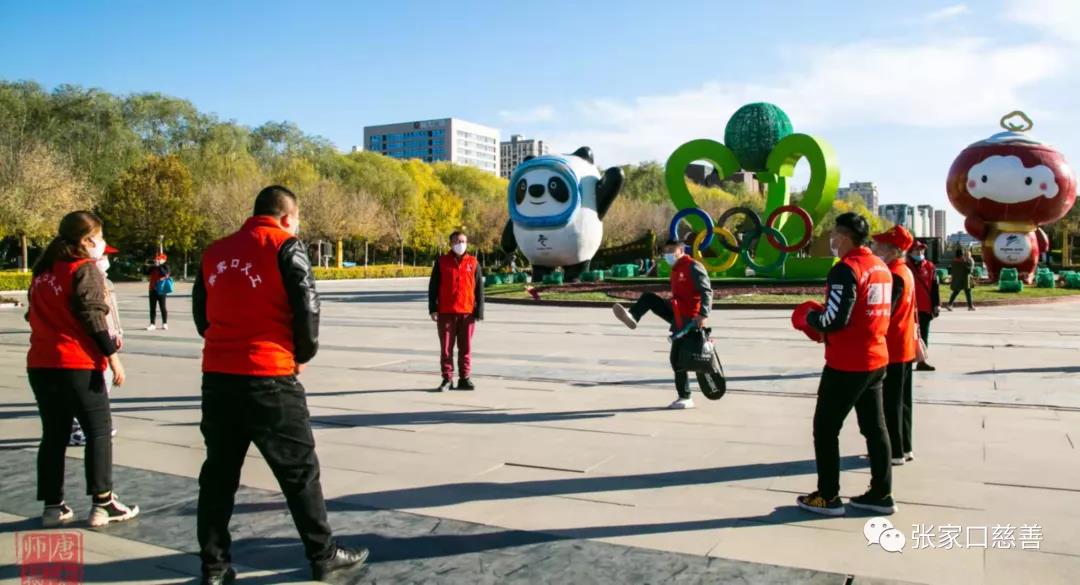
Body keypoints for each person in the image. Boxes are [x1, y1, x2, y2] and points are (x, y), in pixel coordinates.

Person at [192, 186, 367, 584]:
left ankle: (214, 567)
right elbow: (308, 308)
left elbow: (202, 315)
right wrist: (301, 353)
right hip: (269, 376)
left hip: (218, 378)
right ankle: (323, 555)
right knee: (299, 473)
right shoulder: (286, 246)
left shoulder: (214, 252)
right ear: (287, 217)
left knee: (218, 477)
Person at [26, 211, 139, 529]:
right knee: (98, 432)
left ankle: (53, 506)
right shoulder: (83, 269)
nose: (101, 243)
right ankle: (103, 503)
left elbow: (31, 316)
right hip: (77, 362)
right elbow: (93, 316)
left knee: (54, 435)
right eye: (99, 236)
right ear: (87, 240)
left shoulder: (43, 272)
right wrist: (112, 355)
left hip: (41, 363)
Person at [791, 212, 895, 516]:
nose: (832, 239)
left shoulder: (846, 269)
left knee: (825, 428)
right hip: (876, 357)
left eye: (835, 234)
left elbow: (834, 319)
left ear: (845, 237)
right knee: (875, 429)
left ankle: (827, 496)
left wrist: (807, 317)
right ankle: (881, 493)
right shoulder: (881, 267)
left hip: (847, 362)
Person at [611, 237, 712, 409]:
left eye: (671, 250)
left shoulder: (693, 266)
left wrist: (703, 314)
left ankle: (686, 397)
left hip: (690, 319)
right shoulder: (675, 270)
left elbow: (707, 291)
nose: (668, 254)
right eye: (665, 251)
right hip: (677, 314)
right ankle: (633, 316)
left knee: (678, 358)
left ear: (681, 250)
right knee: (648, 297)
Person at [871, 226, 918, 466]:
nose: (875, 248)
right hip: (905, 345)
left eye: (879, 245)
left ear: (893, 249)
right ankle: (905, 446)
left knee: (890, 402)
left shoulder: (894, 275)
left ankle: (894, 451)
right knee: (903, 401)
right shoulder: (905, 271)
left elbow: (884, 312)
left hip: (893, 347)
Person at [69, 245, 122, 446]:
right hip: (95, 339)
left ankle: (98, 424)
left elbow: (112, 312)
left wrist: (118, 332)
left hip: (108, 336)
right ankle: (79, 427)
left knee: (104, 383)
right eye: (104, 254)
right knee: (93, 385)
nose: (106, 259)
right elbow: (94, 315)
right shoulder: (87, 279)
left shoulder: (106, 281)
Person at [428, 231, 484, 392]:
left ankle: (464, 378)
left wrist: (479, 311)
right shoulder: (441, 262)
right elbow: (433, 287)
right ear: (451, 243)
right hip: (446, 312)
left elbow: (479, 288)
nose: (460, 244)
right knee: (446, 348)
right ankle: (447, 379)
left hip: (467, 312)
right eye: (457, 241)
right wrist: (433, 308)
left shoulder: (473, 262)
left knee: (465, 347)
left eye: (463, 241)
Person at [907, 241, 940, 371]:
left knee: (923, 335)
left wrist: (936, 304)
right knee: (908, 335)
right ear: (910, 252)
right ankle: (907, 360)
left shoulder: (930, 266)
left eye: (922, 250)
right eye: (917, 250)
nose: (920, 253)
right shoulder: (905, 266)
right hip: (909, 308)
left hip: (925, 307)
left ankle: (922, 361)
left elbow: (935, 286)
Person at [143, 253, 170, 331]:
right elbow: (145, 273)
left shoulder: (166, 266)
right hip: (152, 289)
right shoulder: (153, 267)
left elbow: (165, 273)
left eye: (159, 259)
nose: (157, 260)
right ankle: (152, 324)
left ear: (164, 260)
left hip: (161, 290)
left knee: (163, 307)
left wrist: (159, 266)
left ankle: (164, 323)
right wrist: (145, 265)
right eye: (157, 259)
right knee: (152, 307)